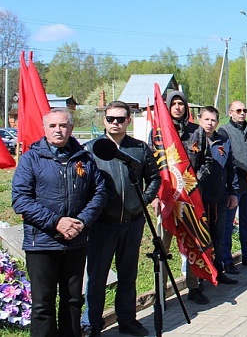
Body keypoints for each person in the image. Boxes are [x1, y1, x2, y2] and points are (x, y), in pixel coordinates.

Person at [11, 108, 106, 337]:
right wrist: (57, 223)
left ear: (71, 129)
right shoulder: (31, 159)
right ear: (45, 129)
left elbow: (99, 193)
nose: (58, 130)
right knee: (43, 304)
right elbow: (21, 200)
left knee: (72, 301)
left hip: (76, 241)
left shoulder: (84, 158)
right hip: (42, 243)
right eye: (53, 126)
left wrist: (81, 222)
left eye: (63, 125)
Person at [83, 102, 161, 337]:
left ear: (128, 120)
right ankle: (92, 324)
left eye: (119, 119)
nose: (114, 123)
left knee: (128, 273)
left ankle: (127, 319)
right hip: (102, 224)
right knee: (97, 276)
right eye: (110, 119)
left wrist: (143, 201)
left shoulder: (139, 148)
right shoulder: (91, 149)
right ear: (104, 120)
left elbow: (155, 177)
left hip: (132, 221)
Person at [160, 90, 209, 304]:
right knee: (163, 245)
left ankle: (194, 286)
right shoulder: (160, 132)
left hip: (190, 197)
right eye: (174, 104)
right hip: (168, 198)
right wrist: (157, 195)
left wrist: (197, 179)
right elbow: (153, 165)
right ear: (168, 106)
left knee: (192, 242)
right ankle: (160, 290)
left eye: (181, 103)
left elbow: (206, 160)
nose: (178, 107)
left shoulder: (196, 132)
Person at [217, 101, 247, 271]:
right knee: (229, 223)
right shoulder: (224, 131)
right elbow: (228, 157)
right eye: (238, 110)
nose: (242, 113)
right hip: (235, 184)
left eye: (244, 110)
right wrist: (246, 172)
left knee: (246, 220)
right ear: (230, 112)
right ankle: (227, 260)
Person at [195, 106, 239, 285]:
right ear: (200, 120)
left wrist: (233, 192)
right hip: (199, 198)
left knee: (218, 236)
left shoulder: (223, 140)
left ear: (217, 122)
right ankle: (198, 278)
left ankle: (218, 270)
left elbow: (231, 167)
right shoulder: (194, 141)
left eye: (213, 120)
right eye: (206, 119)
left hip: (219, 197)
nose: (209, 123)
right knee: (200, 239)